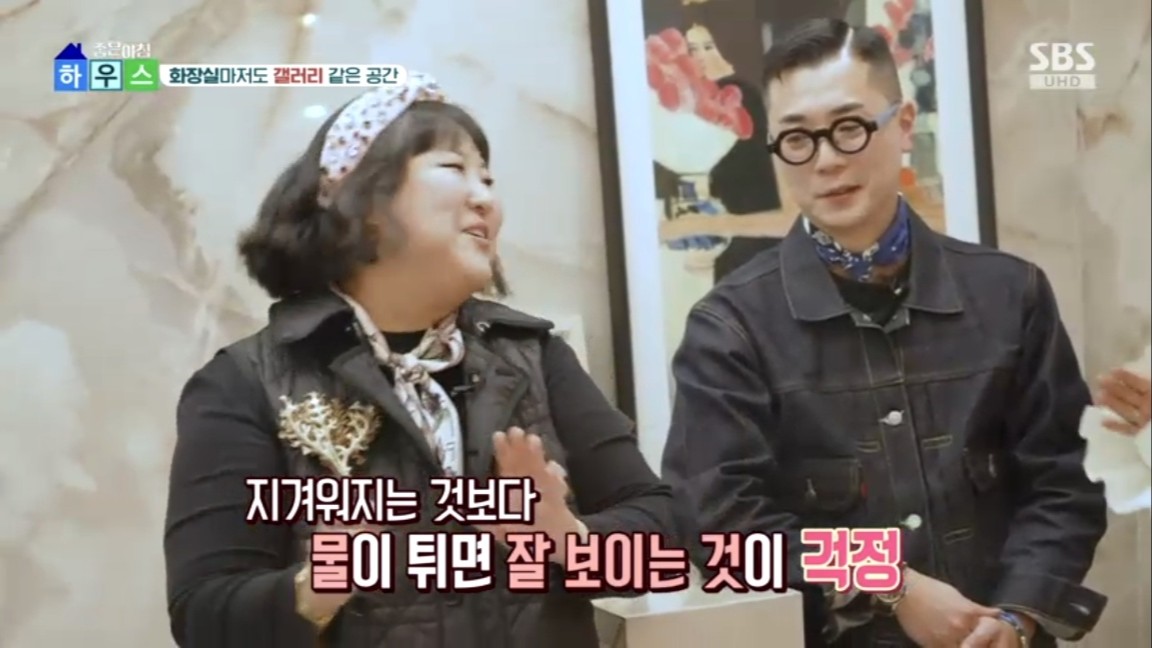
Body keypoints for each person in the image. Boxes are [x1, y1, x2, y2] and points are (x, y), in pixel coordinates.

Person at [163, 72, 676, 648]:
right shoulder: (245, 381)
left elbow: (665, 531)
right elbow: (203, 616)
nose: (486, 198)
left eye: (488, 178)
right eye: (454, 168)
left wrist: (568, 539)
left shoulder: (534, 355)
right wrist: (323, 582)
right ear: (360, 198)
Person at [661, 18, 1108, 648]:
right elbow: (716, 524)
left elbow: (1064, 481)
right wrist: (886, 579)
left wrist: (1016, 615)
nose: (826, 160)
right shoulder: (729, 328)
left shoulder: (1013, 294)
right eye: (797, 138)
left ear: (903, 124)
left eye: (849, 127)